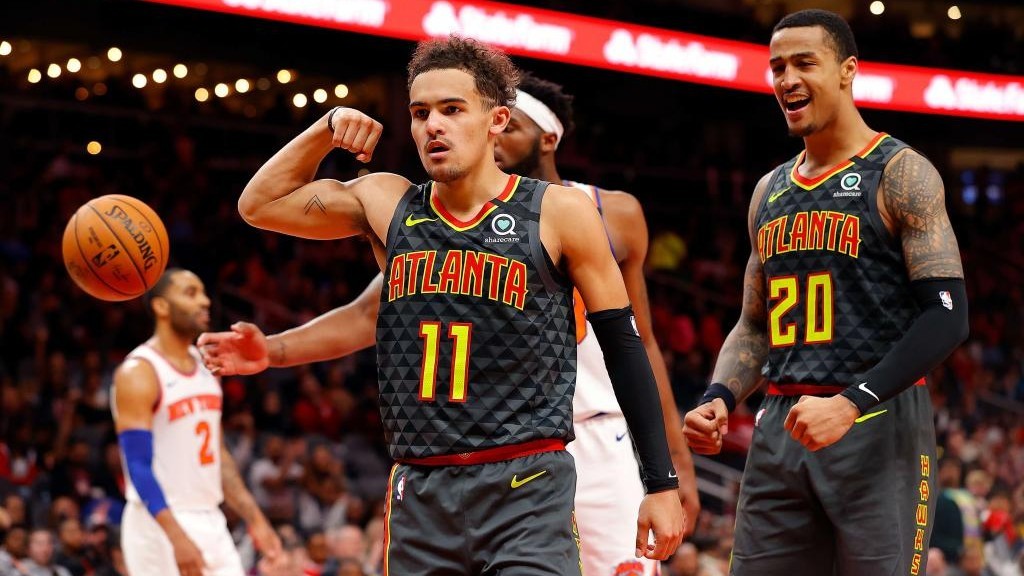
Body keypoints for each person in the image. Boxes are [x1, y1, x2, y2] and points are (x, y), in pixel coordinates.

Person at [201, 72, 698, 575]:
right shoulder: (393, 206)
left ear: (496, 121)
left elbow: (630, 343)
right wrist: (326, 129)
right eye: (420, 113)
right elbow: (263, 210)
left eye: (452, 109)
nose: (434, 125)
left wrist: (664, 478)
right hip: (425, 478)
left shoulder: (572, 210)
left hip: (544, 460)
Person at [683, 9, 968, 576]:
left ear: (847, 70)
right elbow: (755, 323)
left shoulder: (900, 173)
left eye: (804, 63)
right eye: (777, 67)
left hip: (876, 418)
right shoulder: (769, 190)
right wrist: (720, 395)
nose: (787, 79)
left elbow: (947, 315)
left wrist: (851, 402)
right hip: (781, 424)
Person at [111, 269, 284, 576]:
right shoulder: (139, 372)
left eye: (203, 293)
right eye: (190, 293)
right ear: (161, 306)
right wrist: (175, 536)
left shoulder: (206, 368)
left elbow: (218, 456)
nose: (205, 301)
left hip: (210, 518)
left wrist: (256, 520)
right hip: (159, 522)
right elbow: (137, 465)